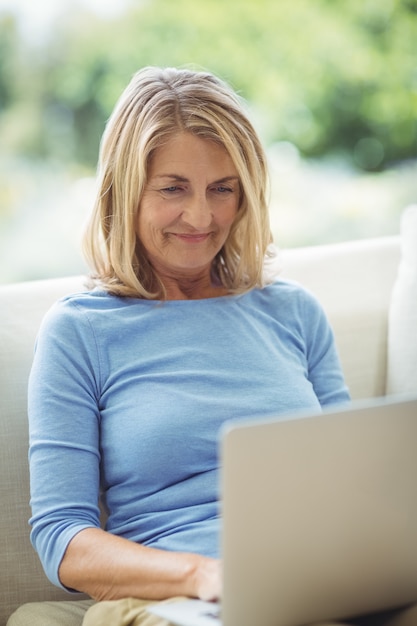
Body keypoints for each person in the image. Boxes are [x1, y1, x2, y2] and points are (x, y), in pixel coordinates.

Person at [7, 67, 415, 626]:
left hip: (312, 589)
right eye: (173, 188)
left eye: (222, 189)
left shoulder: (293, 312)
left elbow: (349, 489)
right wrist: (204, 575)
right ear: (126, 191)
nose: (201, 217)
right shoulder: (80, 331)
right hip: (174, 603)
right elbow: (63, 540)